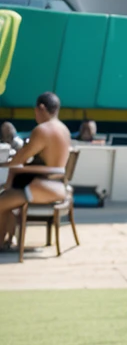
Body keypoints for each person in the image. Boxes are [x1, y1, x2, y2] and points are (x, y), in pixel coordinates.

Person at [0, 92, 71, 248]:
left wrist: (3, 165)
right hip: (58, 186)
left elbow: (19, 159)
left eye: (35, 110)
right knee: (7, 196)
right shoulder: (64, 130)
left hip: (42, 188)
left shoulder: (42, 130)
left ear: (41, 108)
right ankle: (7, 240)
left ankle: (3, 242)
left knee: (2, 201)